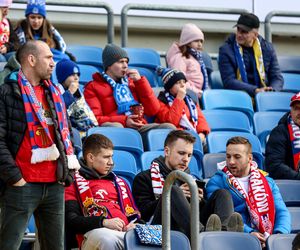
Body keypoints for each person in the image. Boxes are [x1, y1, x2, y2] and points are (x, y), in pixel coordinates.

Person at [0, 40, 80, 250]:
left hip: (55, 184)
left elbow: (67, 135)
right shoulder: (7, 92)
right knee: (9, 245)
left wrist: (67, 175)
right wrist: (15, 178)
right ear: (32, 60)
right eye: (49, 58)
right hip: (22, 184)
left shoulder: (54, 93)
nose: (54, 62)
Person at [132, 130, 244, 239]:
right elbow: (143, 214)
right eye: (181, 153)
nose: (186, 159)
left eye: (189, 155)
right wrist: (170, 194)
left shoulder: (193, 180)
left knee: (222, 193)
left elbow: (203, 215)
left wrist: (199, 200)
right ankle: (201, 235)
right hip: (161, 229)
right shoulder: (144, 178)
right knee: (173, 192)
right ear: (167, 151)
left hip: (189, 227)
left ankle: (223, 236)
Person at [206, 136, 291, 248]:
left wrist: (277, 236)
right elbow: (225, 216)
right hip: (238, 238)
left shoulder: (268, 182)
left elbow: (281, 211)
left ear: (249, 158)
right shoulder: (217, 182)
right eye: (228, 156)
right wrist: (250, 233)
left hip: (269, 239)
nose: (231, 162)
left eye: (237, 157)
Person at [65, 133, 141, 250]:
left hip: (124, 234)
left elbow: (134, 215)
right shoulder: (72, 182)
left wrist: (135, 225)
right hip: (94, 236)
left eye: (111, 157)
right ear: (91, 158)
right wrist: (103, 222)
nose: (111, 162)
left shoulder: (119, 182)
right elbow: (71, 221)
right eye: (106, 157)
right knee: (105, 238)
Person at [84, 43, 175, 135]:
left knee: (168, 128)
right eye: (120, 62)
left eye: (126, 62)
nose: (125, 66)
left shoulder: (132, 83)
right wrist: (124, 121)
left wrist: (140, 82)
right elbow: (94, 119)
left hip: (140, 126)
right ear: (109, 66)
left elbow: (153, 110)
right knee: (117, 127)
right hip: (115, 128)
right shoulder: (92, 87)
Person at [218, 13, 283, 97]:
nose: (239, 34)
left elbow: (277, 77)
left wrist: (272, 91)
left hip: (265, 97)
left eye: (244, 32)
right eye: (238, 30)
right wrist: (255, 90)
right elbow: (229, 81)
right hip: (238, 97)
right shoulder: (226, 50)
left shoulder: (267, 48)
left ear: (255, 34)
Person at [155, 67, 210, 144]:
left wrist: (202, 133)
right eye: (178, 82)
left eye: (184, 82)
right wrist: (179, 99)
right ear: (169, 87)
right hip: (177, 139)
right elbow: (171, 122)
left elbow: (201, 119)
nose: (182, 85)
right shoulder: (161, 101)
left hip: (195, 136)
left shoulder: (190, 100)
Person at [55, 58, 98, 137]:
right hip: (71, 133)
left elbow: (86, 113)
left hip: (87, 130)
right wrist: (70, 93)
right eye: (72, 75)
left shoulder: (78, 92)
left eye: (78, 74)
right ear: (63, 77)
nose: (76, 78)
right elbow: (59, 111)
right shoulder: (56, 92)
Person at [166, 23, 209, 98]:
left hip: (198, 94)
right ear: (187, 42)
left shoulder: (195, 57)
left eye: (201, 41)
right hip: (188, 95)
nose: (200, 44)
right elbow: (179, 82)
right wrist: (197, 92)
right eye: (196, 41)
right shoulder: (180, 58)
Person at [265, 92, 300, 179]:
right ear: (291, 111)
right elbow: (274, 165)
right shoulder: (280, 132)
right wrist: (298, 177)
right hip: (291, 185)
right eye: (296, 108)